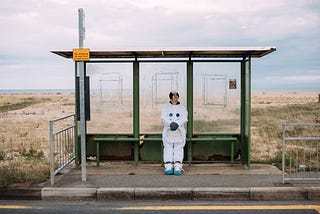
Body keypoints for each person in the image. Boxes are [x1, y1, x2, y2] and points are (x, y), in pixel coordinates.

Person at [161, 91, 188, 175]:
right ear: (170, 96)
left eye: (177, 95)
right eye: (173, 95)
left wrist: (177, 124)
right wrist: (170, 123)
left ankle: (177, 165)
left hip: (179, 132)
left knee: (178, 148)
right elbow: (164, 116)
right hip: (168, 131)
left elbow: (184, 117)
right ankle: (168, 165)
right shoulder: (166, 108)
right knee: (168, 148)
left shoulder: (182, 108)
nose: (175, 96)